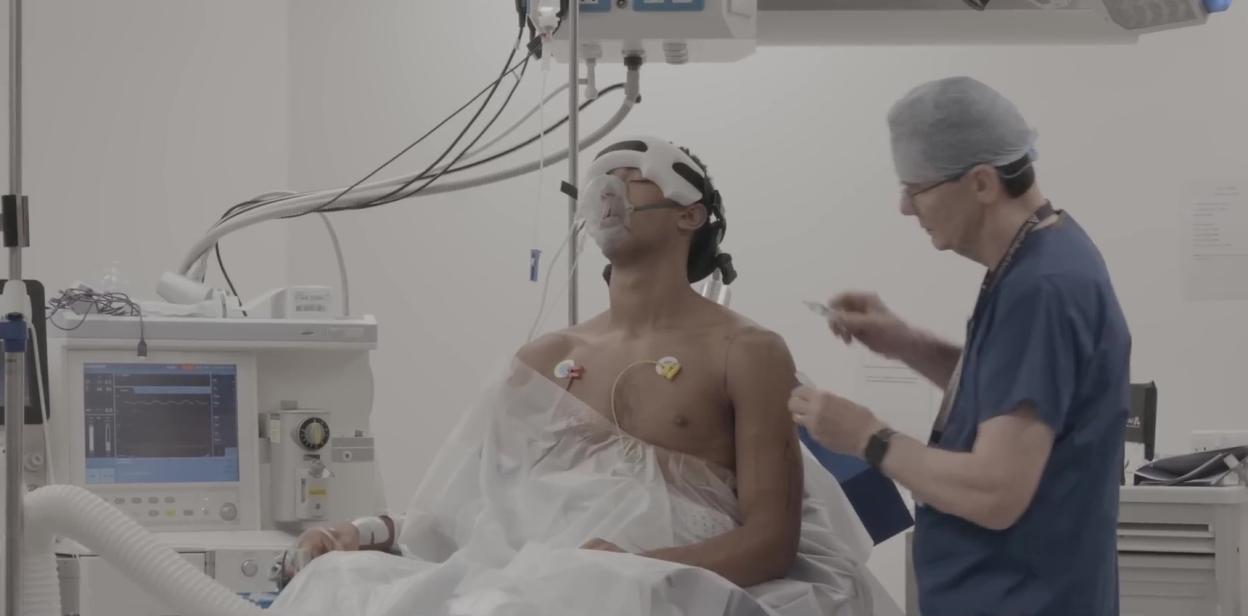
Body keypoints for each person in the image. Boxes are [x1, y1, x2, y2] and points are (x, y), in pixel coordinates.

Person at [281, 136, 873, 615]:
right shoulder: (542, 359)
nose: (607, 187)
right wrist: (360, 532)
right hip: (531, 583)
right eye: (599, 176)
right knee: (340, 586)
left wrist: (630, 567)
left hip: (659, 590)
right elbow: (463, 513)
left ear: (690, 213)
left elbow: (771, 542)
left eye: (633, 173)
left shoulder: (747, 352)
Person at [789, 76, 1131, 616]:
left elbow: (995, 493)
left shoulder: (1042, 289)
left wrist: (866, 437)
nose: (905, 207)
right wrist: (906, 342)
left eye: (917, 188)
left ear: (980, 183)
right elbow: (1013, 391)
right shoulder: (1043, 257)